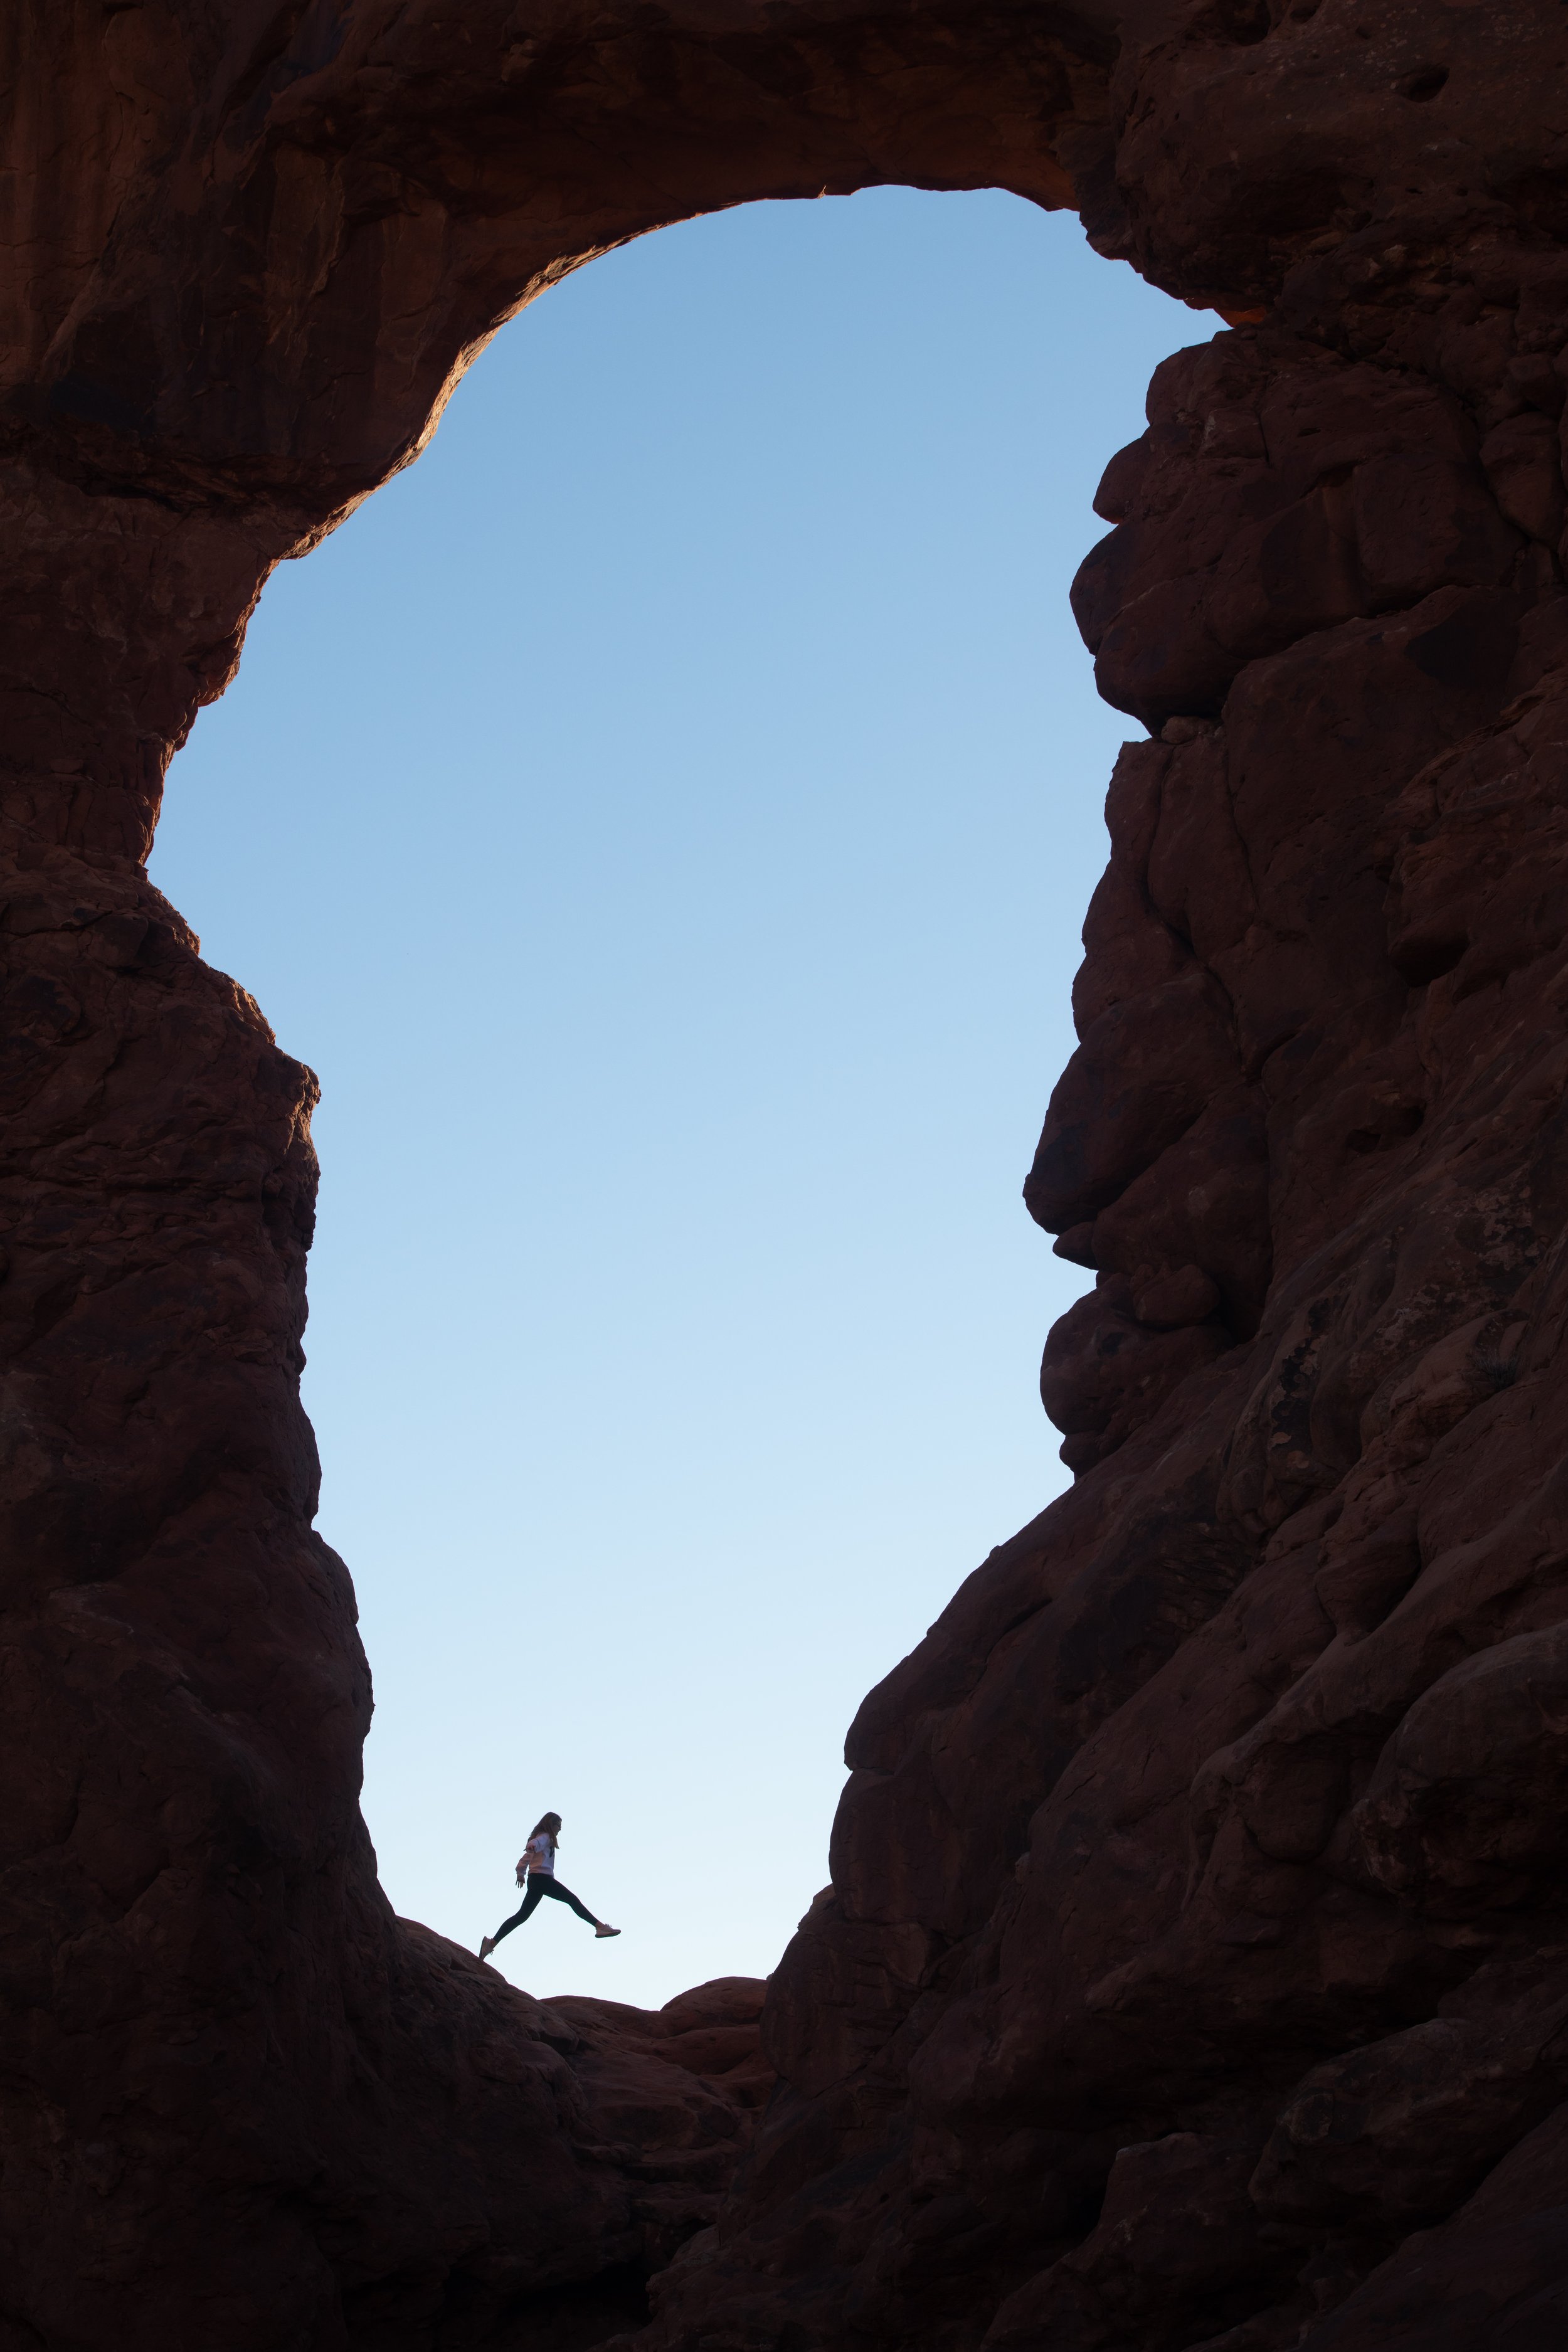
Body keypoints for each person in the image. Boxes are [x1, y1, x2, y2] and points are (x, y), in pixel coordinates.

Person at [479, 1811, 620, 1957]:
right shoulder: (545, 1837)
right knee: (572, 1900)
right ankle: (599, 1927)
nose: (560, 1829)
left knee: (522, 1916)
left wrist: (520, 1874)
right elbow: (536, 1844)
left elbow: (526, 1857)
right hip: (542, 1879)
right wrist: (532, 1846)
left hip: (536, 1880)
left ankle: (491, 1943)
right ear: (550, 1825)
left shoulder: (544, 1839)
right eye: (558, 1825)